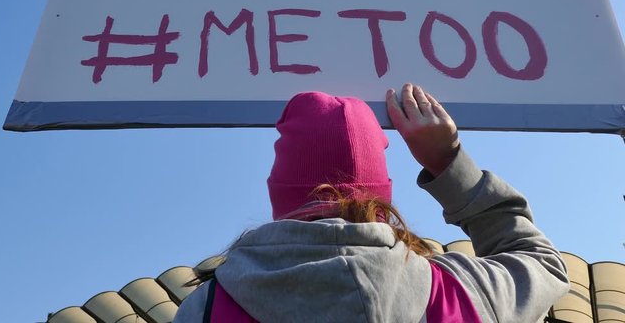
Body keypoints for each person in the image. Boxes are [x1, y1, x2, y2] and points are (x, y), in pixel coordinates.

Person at [173, 84, 569, 323]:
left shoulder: (206, 309)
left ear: (280, 191)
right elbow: (541, 262)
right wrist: (449, 164)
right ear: (382, 192)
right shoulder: (462, 292)